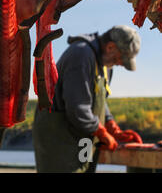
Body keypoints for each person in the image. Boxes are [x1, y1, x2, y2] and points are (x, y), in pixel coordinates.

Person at [32, 25, 143, 173]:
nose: (120, 64)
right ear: (110, 47)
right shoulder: (81, 55)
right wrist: (102, 133)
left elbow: (100, 101)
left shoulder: (105, 64)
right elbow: (78, 108)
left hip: (83, 138)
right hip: (60, 137)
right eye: (119, 59)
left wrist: (113, 128)